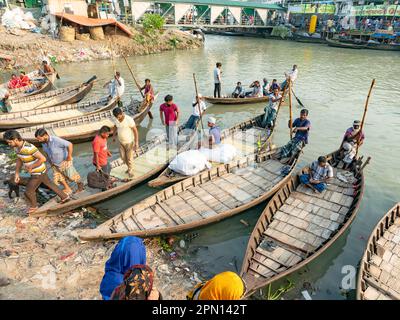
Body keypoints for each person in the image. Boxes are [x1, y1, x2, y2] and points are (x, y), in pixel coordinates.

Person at [3, 130, 69, 215]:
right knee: (49, 184)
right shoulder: (17, 148)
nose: (9, 144)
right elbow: (19, 159)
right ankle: (65, 197)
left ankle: (34, 207)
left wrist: (31, 166)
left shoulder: (29, 148)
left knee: (29, 191)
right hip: (38, 172)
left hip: (38, 173)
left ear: (15, 139)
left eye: (9, 142)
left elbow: (43, 159)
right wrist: (16, 173)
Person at [34, 129, 84, 195]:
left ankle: (80, 187)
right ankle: (67, 188)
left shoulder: (56, 140)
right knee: (59, 177)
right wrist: (50, 162)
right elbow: (47, 153)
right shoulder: (43, 143)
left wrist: (69, 156)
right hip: (54, 163)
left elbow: (70, 144)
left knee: (72, 175)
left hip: (64, 161)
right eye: (38, 139)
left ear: (45, 135)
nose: (39, 141)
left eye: (40, 139)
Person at [112, 107, 139, 179]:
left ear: (121, 114)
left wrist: (136, 142)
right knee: (123, 157)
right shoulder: (116, 119)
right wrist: (113, 136)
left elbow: (135, 131)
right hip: (121, 141)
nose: (117, 118)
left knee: (129, 157)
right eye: (116, 117)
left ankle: (130, 170)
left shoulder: (129, 119)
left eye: (118, 117)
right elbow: (115, 127)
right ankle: (129, 167)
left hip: (129, 142)